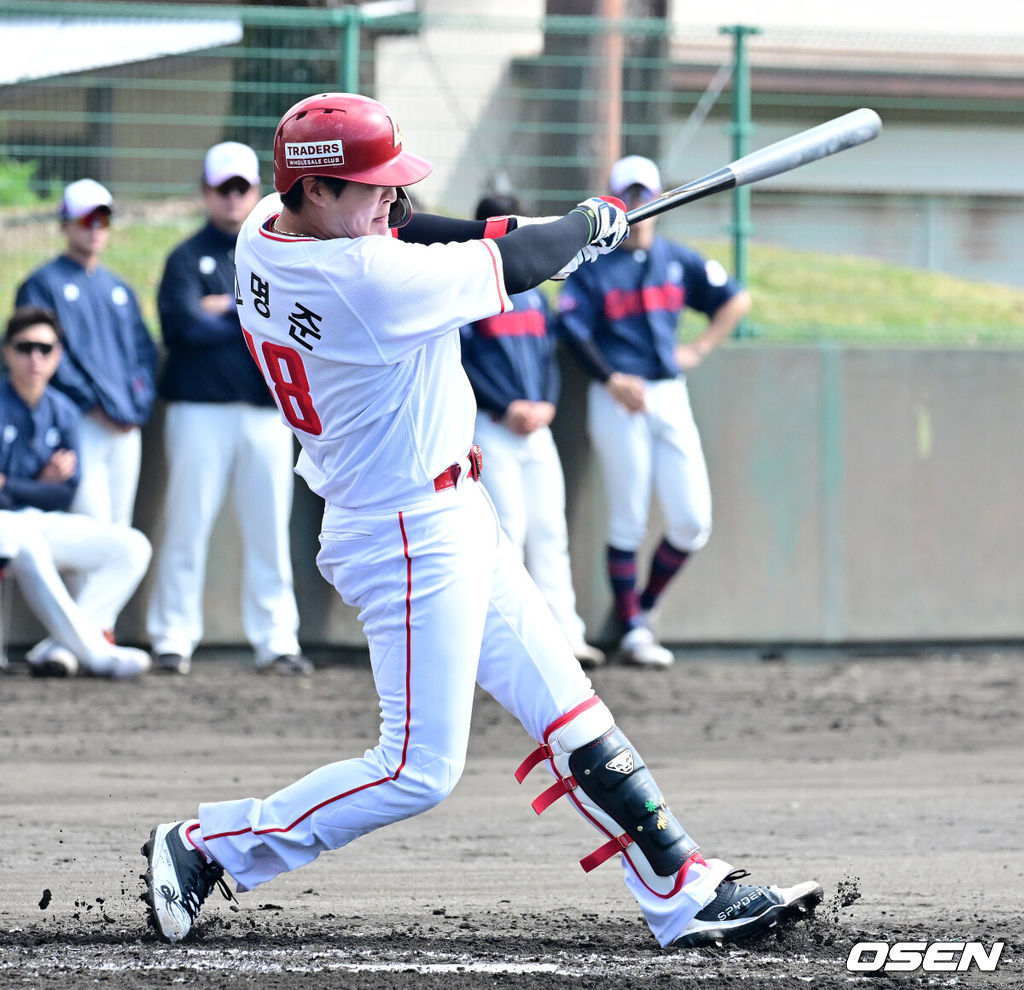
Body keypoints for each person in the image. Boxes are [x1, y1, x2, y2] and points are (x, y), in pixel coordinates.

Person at [141, 92, 820, 951]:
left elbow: (430, 230)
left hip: (444, 509)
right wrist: (581, 227)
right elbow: (512, 260)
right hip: (402, 532)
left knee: (567, 704)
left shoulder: (266, 233)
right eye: (368, 186)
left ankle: (680, 885)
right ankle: (208, 848)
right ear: (315, 192)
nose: (388, 199)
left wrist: (558, 228)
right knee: (417, 771)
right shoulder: (367, 284)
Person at [556, 155, 752, 667]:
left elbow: (734, 299)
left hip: (669, 390)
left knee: (692, 520)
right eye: (631, 195)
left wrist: (701, 348)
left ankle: (636, 612)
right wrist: (610, 377)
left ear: (661, 198)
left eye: (648, 195)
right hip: (620, 395)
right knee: (628, 517)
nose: (641, 204)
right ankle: (637, 632)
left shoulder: (678, 259)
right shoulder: (595, 265)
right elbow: (571, 326)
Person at [145, 142, 309, 677]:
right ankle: (173, 636)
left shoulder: (277, 255)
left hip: (266, 413)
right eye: (224, 188)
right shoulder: (187, 257)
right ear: (206, 192)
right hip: (199, 411)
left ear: (259, 190)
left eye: (242, 187)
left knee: (269, 530)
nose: (234, 198)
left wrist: (224, 309)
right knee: (187, 525)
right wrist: (244, 315)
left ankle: (276, 639)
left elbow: (291, 326)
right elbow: (184, 327)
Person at [460, 193, 605, 669]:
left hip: (534, 427)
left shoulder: (535, 293)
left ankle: (567, 635)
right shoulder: (470, 290)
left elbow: (547, 359)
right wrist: (506, 405)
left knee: (549, 530)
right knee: (509, 534)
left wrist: (545, 404)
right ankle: (509, 646)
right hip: (493, 426)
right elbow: (460, 363)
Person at [0, 306, 152, 678]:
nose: (35, 358)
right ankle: (97, 654)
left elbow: (64, 496)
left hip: (37, 521)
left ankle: (59, 647)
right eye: (24, 347)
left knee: (132, 547)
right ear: (7, 352)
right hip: (7, 526)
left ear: (58, 356)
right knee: (28, 544)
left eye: (45, 349)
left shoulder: (64, 411)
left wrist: (15, 484)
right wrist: (42, 480)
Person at [15, 178, 158, 528]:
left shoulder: (119, 288)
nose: (95, 228)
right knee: (88, 524)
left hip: (125, 426)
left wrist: (135, 406)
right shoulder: (42, 284)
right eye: (85, 219)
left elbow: (144, 353)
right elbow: (45, 355)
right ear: (64, 225)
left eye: (103, 219)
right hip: (79, 421)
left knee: (119, 530)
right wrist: (94, 404)